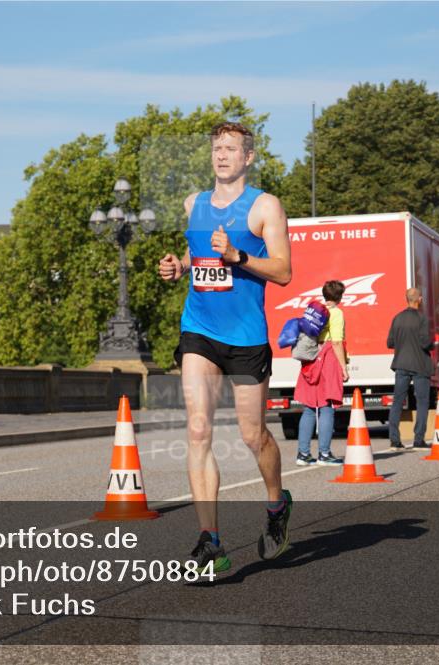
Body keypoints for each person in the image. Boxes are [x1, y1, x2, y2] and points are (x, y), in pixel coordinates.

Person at [158, 121, 294, 572]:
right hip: (199, 329)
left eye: (231, 149)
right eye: (217, 148)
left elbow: (283, 271)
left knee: (253, 435)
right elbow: (200, 262)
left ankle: (276, 505)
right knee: (198, 431)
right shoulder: (193, 203)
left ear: (248, 157)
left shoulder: (265, 207)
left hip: (246, 336)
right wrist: (179, 268)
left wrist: (239, 257)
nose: (221, 155)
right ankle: (209, 541)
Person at [295, 280, 349, 466]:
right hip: (327, 358)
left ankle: (303, 454)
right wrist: (344, 367)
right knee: (326, 407)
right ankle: (324, 454)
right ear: (340, 296)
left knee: (309, 408)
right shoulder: (337, 313)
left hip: (310, 358)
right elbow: (336, 342)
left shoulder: (314, 312)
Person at [386, 288, 434, 451]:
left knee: (397, 401)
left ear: (406, 299)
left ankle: (394, 440)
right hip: (420, 365)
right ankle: (418, 439)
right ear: (419, 299)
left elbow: (390, 343)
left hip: (401, 364)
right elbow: (425, 342)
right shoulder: (422, 319)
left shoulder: (397, 318)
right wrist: (433, 344)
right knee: (422, 402)